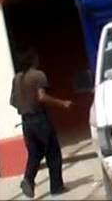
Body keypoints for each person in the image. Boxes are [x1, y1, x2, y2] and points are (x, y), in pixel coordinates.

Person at [10, 49, 72, 199]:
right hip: (40, 119)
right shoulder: (38, 75)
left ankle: (28, 179)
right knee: (53, 153)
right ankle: (56, 187)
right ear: (33, 60)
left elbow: (12, 101)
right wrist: (62, 103)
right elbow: (42, 97)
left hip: (26, 122)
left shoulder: (16, 78)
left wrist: (24, 106)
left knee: (34, 153)